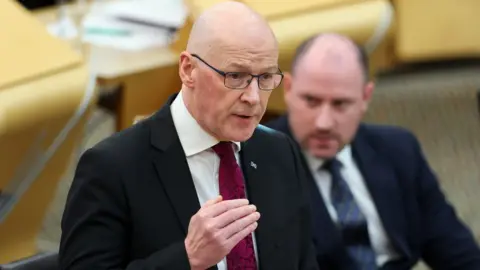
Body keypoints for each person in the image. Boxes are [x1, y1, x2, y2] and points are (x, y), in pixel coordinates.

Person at [58, 1, 318, 270]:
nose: (253, 97)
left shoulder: (278, 153)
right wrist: (186, 258)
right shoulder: (111, 169)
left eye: (265, 78)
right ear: (188, 69)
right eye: (236, 76)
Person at [266, 33, 480, 270]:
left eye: (340, 104)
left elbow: (456, 251)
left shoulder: (398, 150)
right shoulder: (258, 162)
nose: (323, 123)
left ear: (365, 97)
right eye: (311, 101)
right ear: (288, 88)